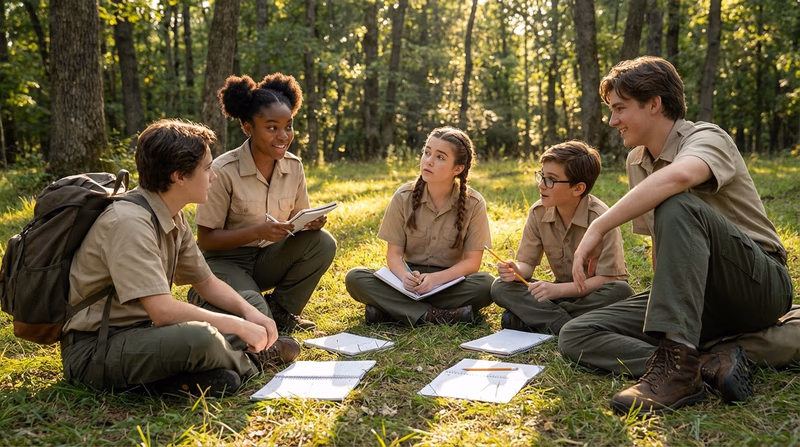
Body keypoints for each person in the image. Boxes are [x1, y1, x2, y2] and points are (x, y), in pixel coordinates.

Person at [558, 56, 794, 416]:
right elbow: (661, 245)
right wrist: (666, 314)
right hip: (692, 290)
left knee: (676, 204)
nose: (612, 121)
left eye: (620, 108)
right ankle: (702, 365)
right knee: (577, 333)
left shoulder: (707, 137)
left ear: (654, 103)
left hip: (757, 284)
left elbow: (679, 179)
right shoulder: (637, 160)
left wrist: (599, 225)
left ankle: (678, 371)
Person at [61, 119, 301, 398]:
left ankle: (202, 374)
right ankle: (254, 360)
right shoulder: (128, 223)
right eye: (207, 168)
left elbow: (207, 282)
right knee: (200, 337)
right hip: (97, 350)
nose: (213, 176)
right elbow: (163, 312)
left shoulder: (171, 214)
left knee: (244, 300)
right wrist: (238, 326)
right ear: (179, 176)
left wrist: (250, 314)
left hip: (144, 333)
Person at [189, 73, 337, 332]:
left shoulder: (293, 166)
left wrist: (310, 222)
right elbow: (206, 240)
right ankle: (207, 297)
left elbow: (298, 218)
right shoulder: (223, 170)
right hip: (225, 263)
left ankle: (282, 310)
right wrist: (257, 231)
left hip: (267, 258)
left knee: (323, 242)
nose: (283, 135)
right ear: (248, 128)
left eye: (288, 126)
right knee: (258, 316)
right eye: (272, 128)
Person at [345, 127, 494, 326]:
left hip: (448, 282)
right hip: (407, 281)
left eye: (440, 157)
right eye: (427, 152)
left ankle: (391, 313)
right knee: (355, 278)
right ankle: (435, 316)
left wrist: (435, 280)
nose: (428, 161)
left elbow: (472, 263)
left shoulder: (474, 203)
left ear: (457, 169)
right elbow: (394, 254)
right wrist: (406, 277)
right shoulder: (403, 197)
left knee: (487, 284)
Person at [491, 141, 634, 335]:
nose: (541, 185)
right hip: (558, 294)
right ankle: (572, 326)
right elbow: (526, 265)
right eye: (541, 176)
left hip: (592, 295)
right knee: (500, 287)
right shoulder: (538, 212)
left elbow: (608, 279)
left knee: (621, 292)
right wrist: (515, 270)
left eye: (551, 179)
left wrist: (558, 291)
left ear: (578, 188)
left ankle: (538, 321)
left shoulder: (602, 218)